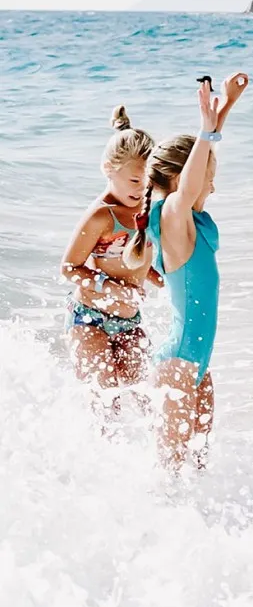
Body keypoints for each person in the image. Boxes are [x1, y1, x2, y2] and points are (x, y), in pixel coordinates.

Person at [124, 73, 248, 469]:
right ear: (183, 181)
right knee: (171, 474)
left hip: (195, 367)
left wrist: (224, 108)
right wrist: (205, 130)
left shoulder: (186, 221)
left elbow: (197, 168)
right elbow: (191, 182)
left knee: (196, 470)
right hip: (178, 366)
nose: (212, 188)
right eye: (208, 180)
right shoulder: (174, 218)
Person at [61, 107, 162, 421]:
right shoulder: (101, 216)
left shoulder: (146, 211)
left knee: (148, 400)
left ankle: (155, 468)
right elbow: (68, 267)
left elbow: (137, 262)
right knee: (105, 406)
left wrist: (164, 280)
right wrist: (113, 290)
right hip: (89, 319)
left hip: (129, 321)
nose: (141, 190)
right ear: (108, 169)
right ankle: (93, 467)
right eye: (134, 180)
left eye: (148, 184)